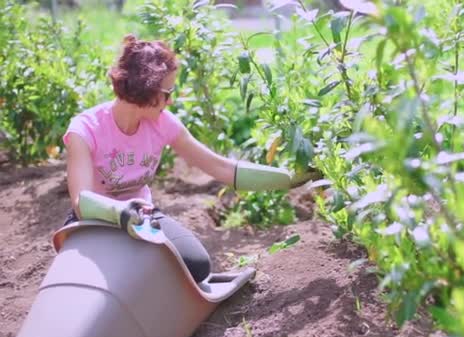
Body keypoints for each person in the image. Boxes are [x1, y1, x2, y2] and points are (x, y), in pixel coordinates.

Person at [63, 34, 313, 283]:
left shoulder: (163, 124)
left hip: (143, 219)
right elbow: (81, 202)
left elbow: (220, 167)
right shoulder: (85, 130)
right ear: (147, 90)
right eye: (167, 92)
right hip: (95, 221)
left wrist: (288, 180)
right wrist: (123, 214)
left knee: (197, 267)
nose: (170, 100)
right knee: (96, 281)